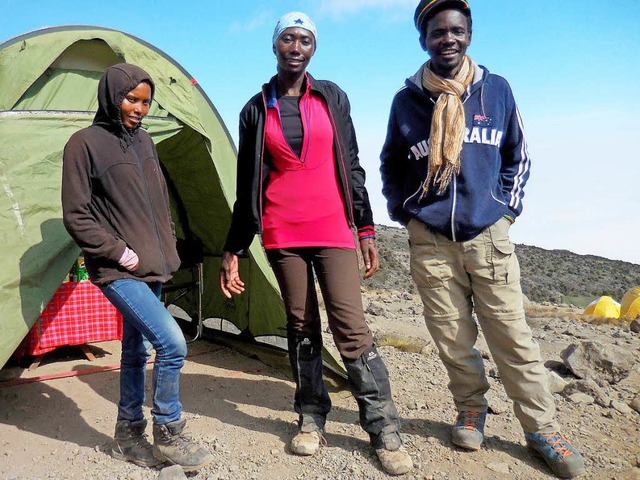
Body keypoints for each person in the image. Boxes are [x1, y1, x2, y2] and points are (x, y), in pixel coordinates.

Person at [379, 1, 585, 478]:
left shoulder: (496, 90)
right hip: (430, 239)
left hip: (488, 236)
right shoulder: (406, 100)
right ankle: (471, 408)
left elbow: (518, 155)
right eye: (437, 32)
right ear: (423, 39)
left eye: (456, 30)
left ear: (469, 34)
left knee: (512, 336)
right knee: (453, 337)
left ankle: (541, 427)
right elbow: (391, 162)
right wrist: (404, 211)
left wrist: (505, 210)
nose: (447, 39)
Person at [219, 12, 412, 476]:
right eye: (289, 38)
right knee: (301, 324)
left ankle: (383, 429)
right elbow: (248, 183)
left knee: (350, 326)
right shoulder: (255, 107)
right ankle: (310, 416)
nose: (297, 47)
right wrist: (235, 247)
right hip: (282, 232)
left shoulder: (331, 97)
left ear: (313, 48)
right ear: (275, 45)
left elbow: (352, 162)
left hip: (332, 228)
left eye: (305, 40)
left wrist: (365, 228)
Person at [62, 63, 213, 472]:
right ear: (113, 96)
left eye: (145, 102)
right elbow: (76, 215)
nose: (139, 109)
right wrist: (117, 250)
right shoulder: (83, 144)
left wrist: (168, 249)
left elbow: (159, 205)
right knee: (172, 344)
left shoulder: (146, 142)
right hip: (118, 271)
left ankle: (128, 435)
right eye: (131, 99)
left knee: (135, 351)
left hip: (153, 269)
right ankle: (169, 432)